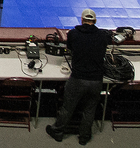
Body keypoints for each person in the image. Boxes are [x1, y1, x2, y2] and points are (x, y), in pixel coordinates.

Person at [46, 9, 109, 146]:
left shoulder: (74, 34)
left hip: (78, 78)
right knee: (89, 109)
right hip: (96, 80)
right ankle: (84, 137)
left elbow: (70, 48)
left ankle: (58, 132)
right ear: (95, 21)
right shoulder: (103, 35)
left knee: (68, 107)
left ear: (81, 20)